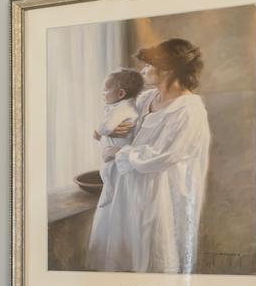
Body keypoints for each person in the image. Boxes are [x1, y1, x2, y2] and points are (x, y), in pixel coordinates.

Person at [85, 39, 211, 273]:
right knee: (124, 253)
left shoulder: (189, 111)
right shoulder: (146, 99)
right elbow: (124, 122)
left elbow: (166, 155)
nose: (143, 71)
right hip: (131, 186)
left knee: (152, 250)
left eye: (149, 65)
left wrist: (120, 151)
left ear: (167, 70)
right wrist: (115, 131)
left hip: (160, 191)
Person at [92, 68, 146, 161]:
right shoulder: (128, 106)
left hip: (117, 151)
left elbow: (107, 127)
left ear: (121, 93)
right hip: (120, 149)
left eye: (106, 90)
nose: (103, 93)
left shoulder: (122, 109)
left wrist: (97, 133)